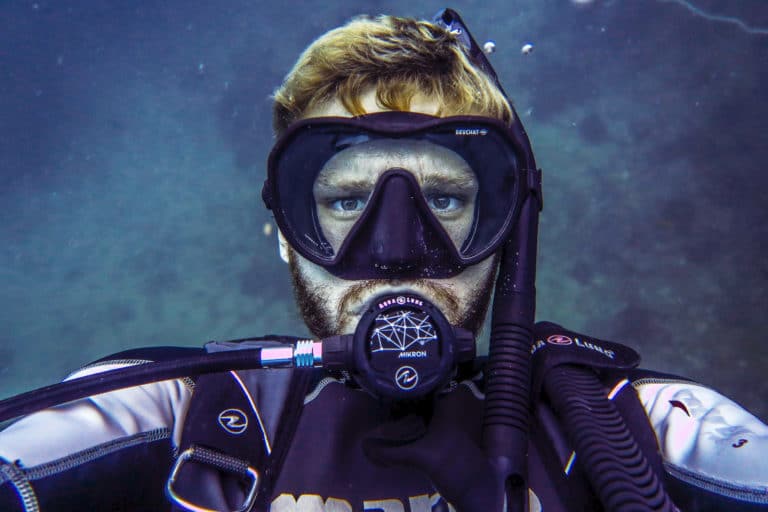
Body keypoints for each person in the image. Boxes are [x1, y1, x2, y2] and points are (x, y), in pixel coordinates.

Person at [0, 9, 766, 512]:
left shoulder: (621, 429)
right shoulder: (178, 417)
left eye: (444, 199)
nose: (396, 253)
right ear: (282, 231)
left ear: (508, 227)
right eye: (343, 203)